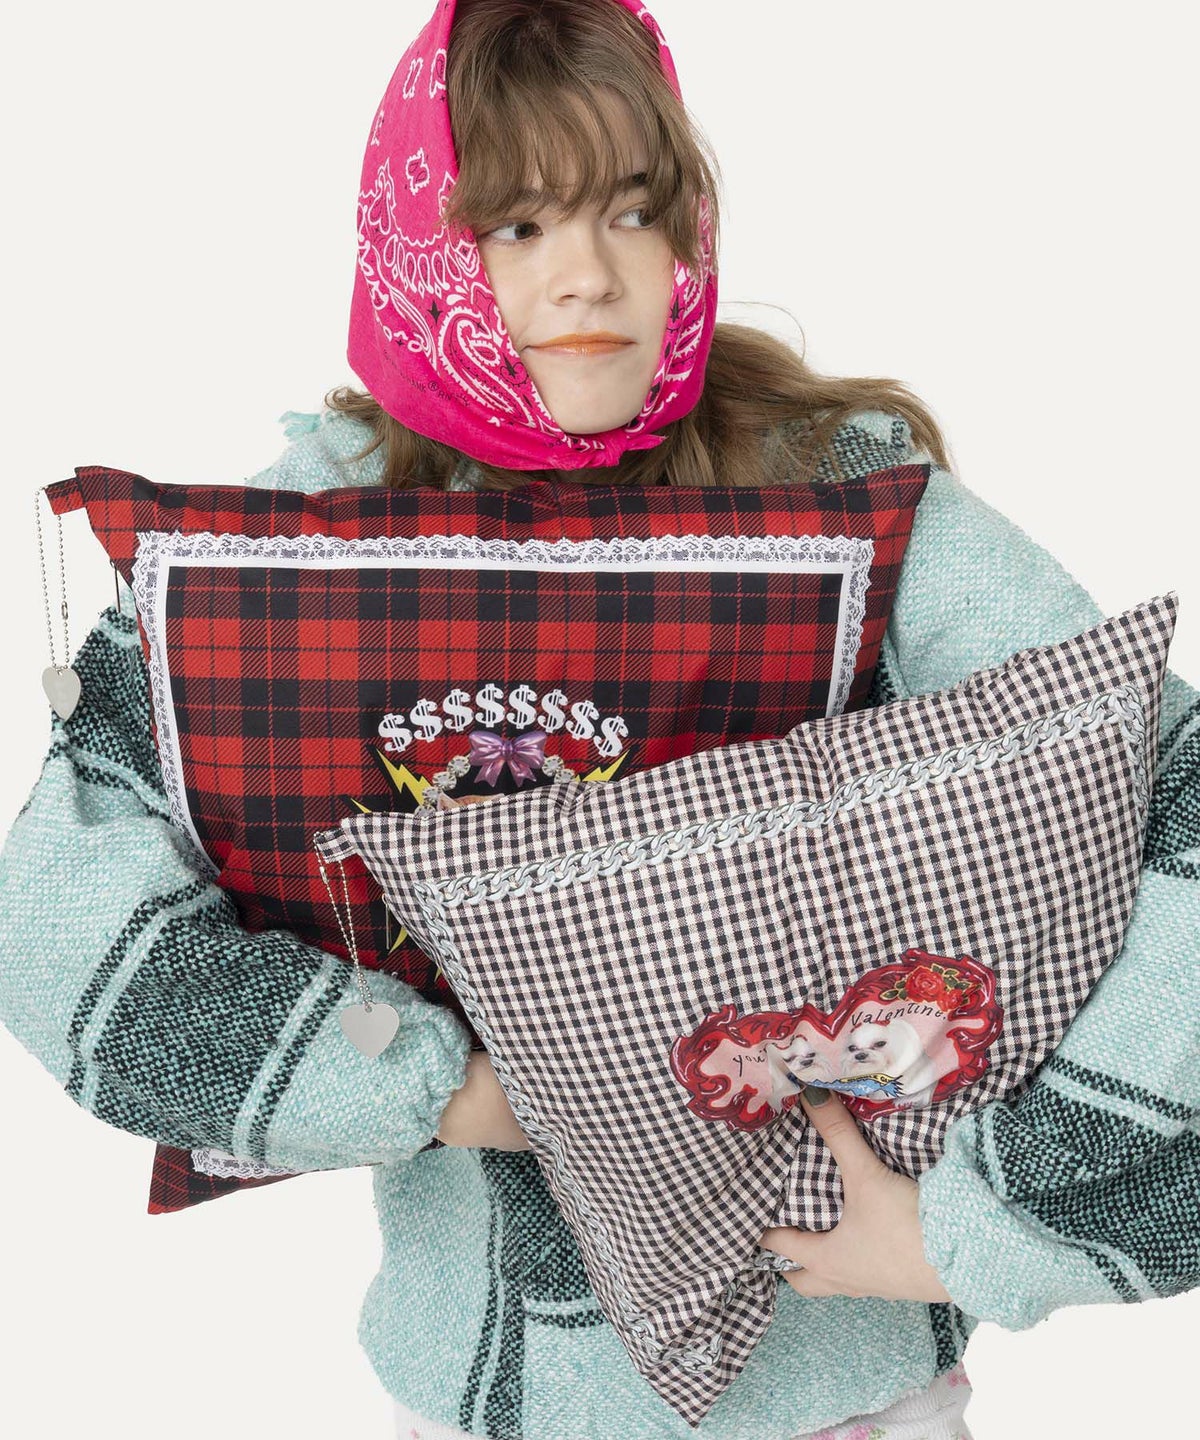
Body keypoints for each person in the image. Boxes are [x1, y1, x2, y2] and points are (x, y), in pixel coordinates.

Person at [1, 1, 1196, 1437]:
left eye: (633, 210)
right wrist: (448, 1086)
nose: (588, 274)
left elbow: (1174, 792)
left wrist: (992, 1226)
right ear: (420, 242)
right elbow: (58, 920)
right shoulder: (292, 545)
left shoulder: (842, 498)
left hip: (850, 1396)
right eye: (516, 226)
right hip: (483, 1395)